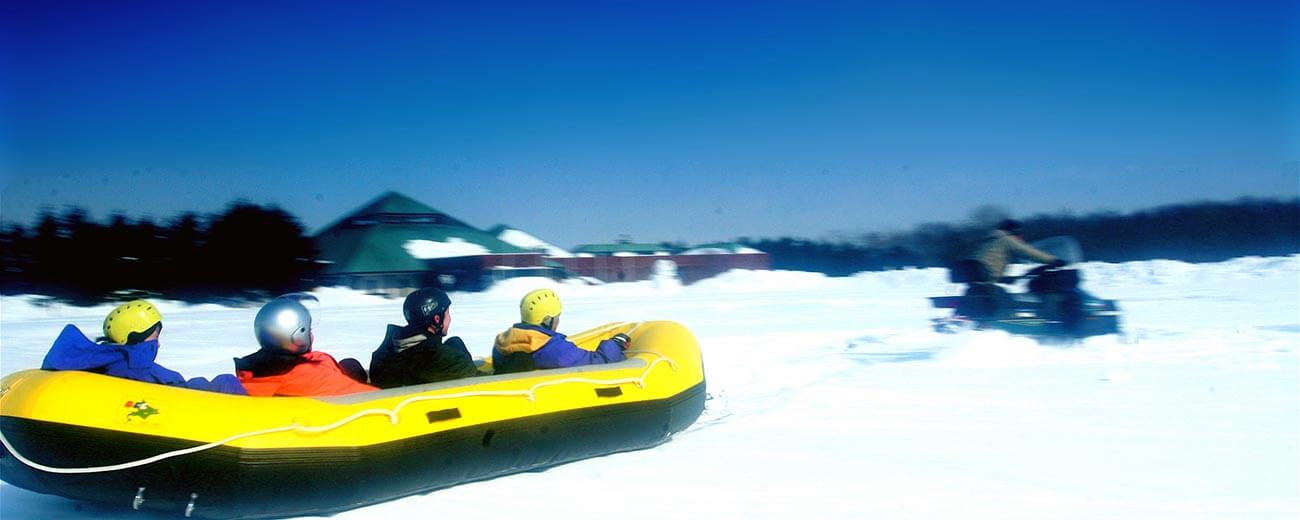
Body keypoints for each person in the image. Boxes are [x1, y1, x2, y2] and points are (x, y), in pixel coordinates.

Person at [41, 300, 246, 395]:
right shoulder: (132, 365)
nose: (158, 343)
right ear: (135, 336)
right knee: (226, 382)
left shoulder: (102, 360)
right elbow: (173, 391)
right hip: (175, 407)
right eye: (155, 336)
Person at [234, 293, 378, 397]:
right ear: (297, 337)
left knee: (350, 365)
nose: (312, 335)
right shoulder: (314, 378)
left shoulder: (250, 369)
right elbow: (372, 399)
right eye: (308, 330)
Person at [491, 288, 630, 374]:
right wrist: (615, 344)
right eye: (557, 317)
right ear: (547, 320)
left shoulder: (503, 343)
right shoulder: (552, 348)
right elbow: (599, 363)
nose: (558, 321)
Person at [368, 288, 478, 388]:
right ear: (437, 319)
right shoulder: (439, 358)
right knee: (456, 343)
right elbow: (480, 383)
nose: (450, 318)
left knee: (454, 343)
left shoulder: (387, 353)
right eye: (447, 313)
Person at [974, 219, 1066, 282]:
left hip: (979, 276)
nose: (1020, 236)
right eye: (1018, 232)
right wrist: (1053, 260)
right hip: (989, 276)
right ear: (1012, 231)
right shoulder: (1005, 239)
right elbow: (1028, 252)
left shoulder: (988, 240)